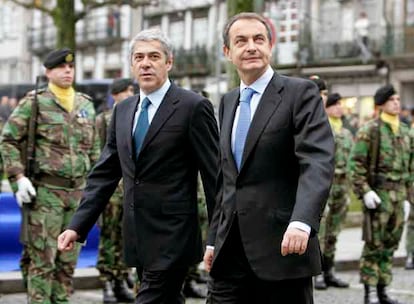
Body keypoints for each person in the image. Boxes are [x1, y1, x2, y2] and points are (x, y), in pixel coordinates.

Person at [57, 28, 219, 304]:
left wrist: (216, 238)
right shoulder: (123, 110)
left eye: (154, 56)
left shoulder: (193, 107)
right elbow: (105, 172)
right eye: (139, 57)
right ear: (131, 64)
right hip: (136, 234)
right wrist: (78, 224)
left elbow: (215, 177)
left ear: (169, 62)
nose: (146, 63)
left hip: (174, 236)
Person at [204, 12, 335, 303]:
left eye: (258, 39)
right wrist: (214, 239)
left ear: (270, 46)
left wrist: (302, 221)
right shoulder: (227, 102)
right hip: (230, 254)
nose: (251, 46)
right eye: (241, 41)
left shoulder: (300, 93)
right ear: (228, 52)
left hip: (283, 249)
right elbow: (227, 181)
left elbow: (317, 161)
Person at [0, 48, 101, 303]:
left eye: (71, 67)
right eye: (61, 67)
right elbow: (9, 140)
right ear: (48, 72)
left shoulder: (85, 104)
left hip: (78, 195)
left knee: (68, 264)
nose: (68, 71)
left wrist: (96, 187)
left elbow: (95, 151)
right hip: (45, 194)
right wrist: (18, 177)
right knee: (42, 261)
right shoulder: (34, 102)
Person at [348, 84, 413, 304]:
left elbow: (411, 168)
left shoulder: (405, 131)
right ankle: (370, 292)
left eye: (397, 99)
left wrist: (409, 199)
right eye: (392, 99)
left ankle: (383, 288)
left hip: (399, 196)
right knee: (374, 245)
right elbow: (355, 165)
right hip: (379, 196)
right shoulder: (370, 130)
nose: (397, 102)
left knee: (391, 246)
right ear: (382, 103)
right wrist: (365, 192)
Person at [95, 78, 135, 303]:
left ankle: (121, 276)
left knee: (124, 237)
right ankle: (106, 281)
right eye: (127, 90)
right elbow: (99, 154)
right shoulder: (104, 119)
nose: (131, 94)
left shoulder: (135, 115)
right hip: (112, 190)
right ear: (117, 94)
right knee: (108, 237)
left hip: (129, 189)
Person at [314, 93, 353, 290]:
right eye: (334, 104)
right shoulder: (321, 128)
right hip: (326, 185)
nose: (339, 108)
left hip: (342, 186)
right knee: (320, 232)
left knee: (334, 232)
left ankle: (330, 270)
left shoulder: (346, 133)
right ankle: (318, 273)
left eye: (340, 104)